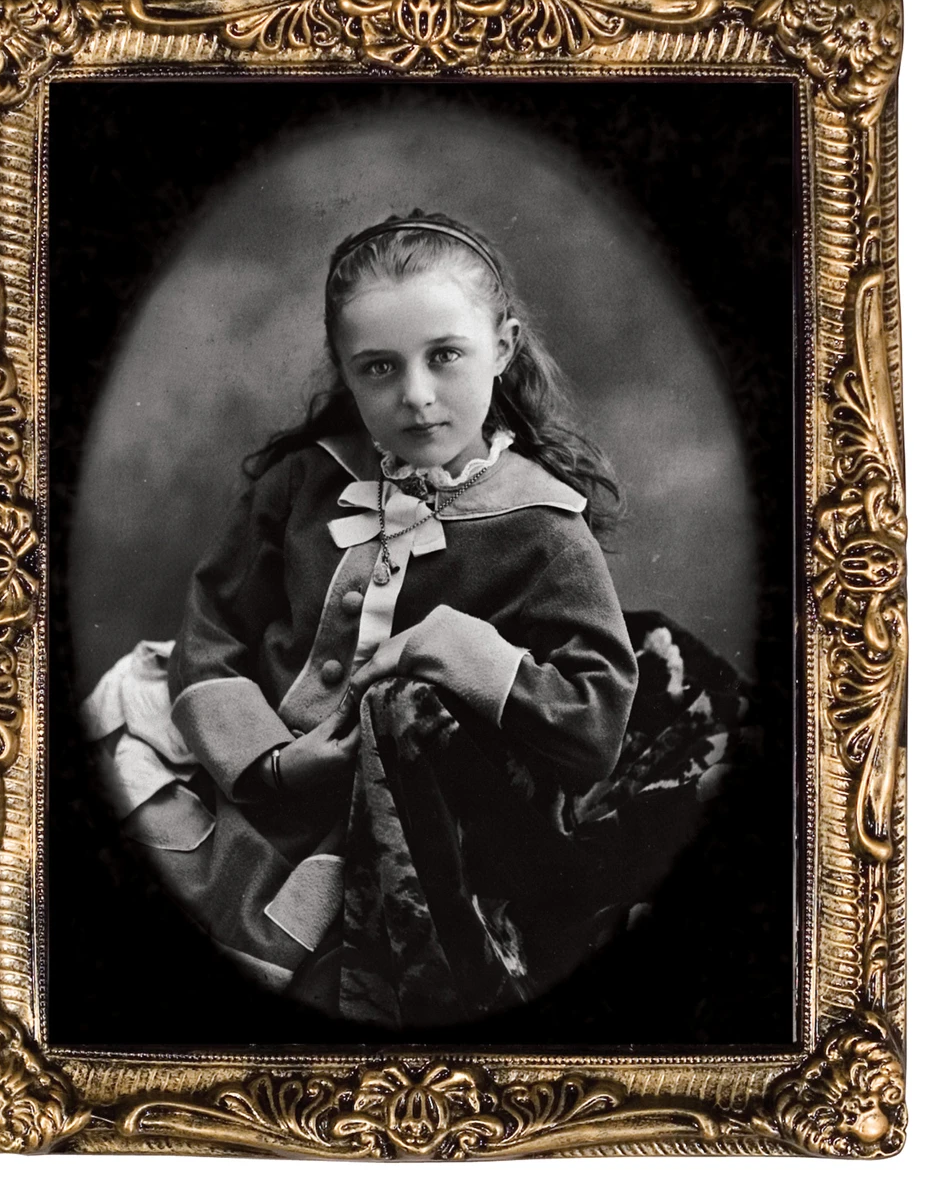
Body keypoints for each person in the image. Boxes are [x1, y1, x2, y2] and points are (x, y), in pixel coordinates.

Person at [85, 211, 655, 1027]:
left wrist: (460, 649)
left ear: (502, 347)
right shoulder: (300, 482)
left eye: (445, 355)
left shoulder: (543, 527)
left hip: (407, 820)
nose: (415, 396)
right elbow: (213, 629)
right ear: (346, 372)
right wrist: (269, 760)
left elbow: (593, 721)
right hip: (254, 770)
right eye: (379, 367)